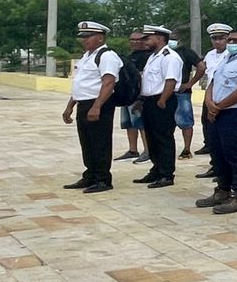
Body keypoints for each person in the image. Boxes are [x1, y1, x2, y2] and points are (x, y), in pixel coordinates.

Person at [194, 26, 237, 214]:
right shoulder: (225, 60)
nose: (230, 43)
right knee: (218, 154)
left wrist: (219, 106)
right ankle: (222, 190)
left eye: (235, 40)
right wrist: (210, 104)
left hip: (235, 114)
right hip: (216, 113)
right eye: (229, 39)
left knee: (235, 156)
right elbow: (212, 83)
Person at [63, 20, 123, 193]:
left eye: (89, 36)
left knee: (100, 142)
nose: (84, 40)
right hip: (84, 103)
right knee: (87, 142)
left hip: (99, 103)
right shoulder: (87, 56)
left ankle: (103, 179)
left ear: (100, 37)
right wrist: (70, 106)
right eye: (83, 37)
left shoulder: (107, 56)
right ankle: (90, 175)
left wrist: (97, 106)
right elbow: (80, 83)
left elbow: (109, 82)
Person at [135, 24, 183, 188]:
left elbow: (171, 80)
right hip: (150, 101)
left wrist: (163, 100)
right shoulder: (153, 56)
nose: (145, 42)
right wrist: (141, 100)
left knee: (163, 137)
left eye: (148, 38)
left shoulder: (170, 57)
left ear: (160, 38)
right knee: (151, 137)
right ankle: (156, 168)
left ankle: (166, 174)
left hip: (162, 101)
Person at [194, 25, 232, 180]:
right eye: (214, 38)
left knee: (227, 136)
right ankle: (215, 166)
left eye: (221, 38)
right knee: (211, 134)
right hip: (210, 98)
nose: (218, 41)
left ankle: (227, 169)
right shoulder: (210, 55)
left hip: (226, 99)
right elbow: (209, 78)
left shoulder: (233, 54)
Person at [116, 30, 150, 161]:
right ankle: (132, 149)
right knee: (128, 123)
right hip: (127, 95)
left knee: (140, 123)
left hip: (138, 95)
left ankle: (147, 150)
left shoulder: (147, 56)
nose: (135, 42)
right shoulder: (130, 56)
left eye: (138, 39)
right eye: (132, 39)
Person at [171, 30, 202, 160]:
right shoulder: (162, 53)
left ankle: (186, 149)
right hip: (165, 93)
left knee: (186, 122)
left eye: (174, 38)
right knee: (166, 123)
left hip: (182, 92)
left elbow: (201, 67)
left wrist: (190, 83)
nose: (171, 41)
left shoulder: (186, 52)